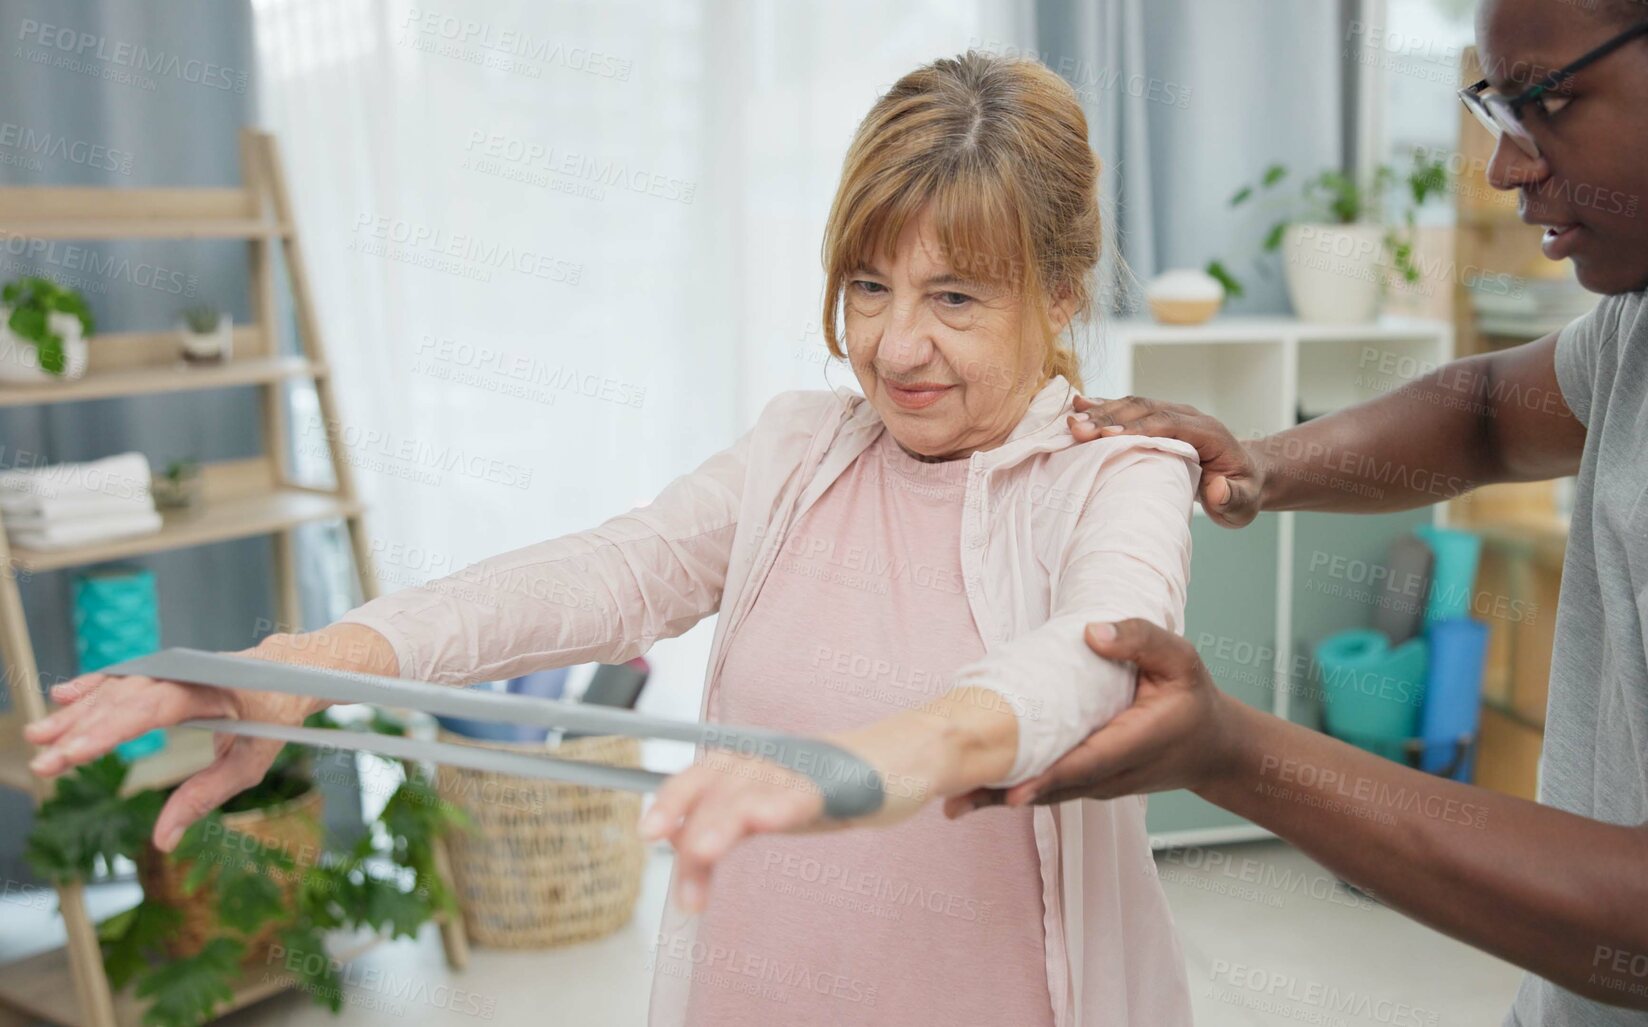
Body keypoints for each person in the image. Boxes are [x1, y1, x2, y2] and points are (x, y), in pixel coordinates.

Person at [24, 52, 1200, 1026]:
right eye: (868, 285)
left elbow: (1083, 672)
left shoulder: (1119, 477)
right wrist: (303, 668)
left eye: (955, 297)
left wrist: (860, 767)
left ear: (1059, 293)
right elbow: (605, 570)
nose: (893, 348)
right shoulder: (802, 448)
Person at [957, 0, 1648, 1023]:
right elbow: (1483, 413)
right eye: (1498, 110)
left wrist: (1227, 750)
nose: (1505, 169)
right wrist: (1258, 464)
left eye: (1548, 104)